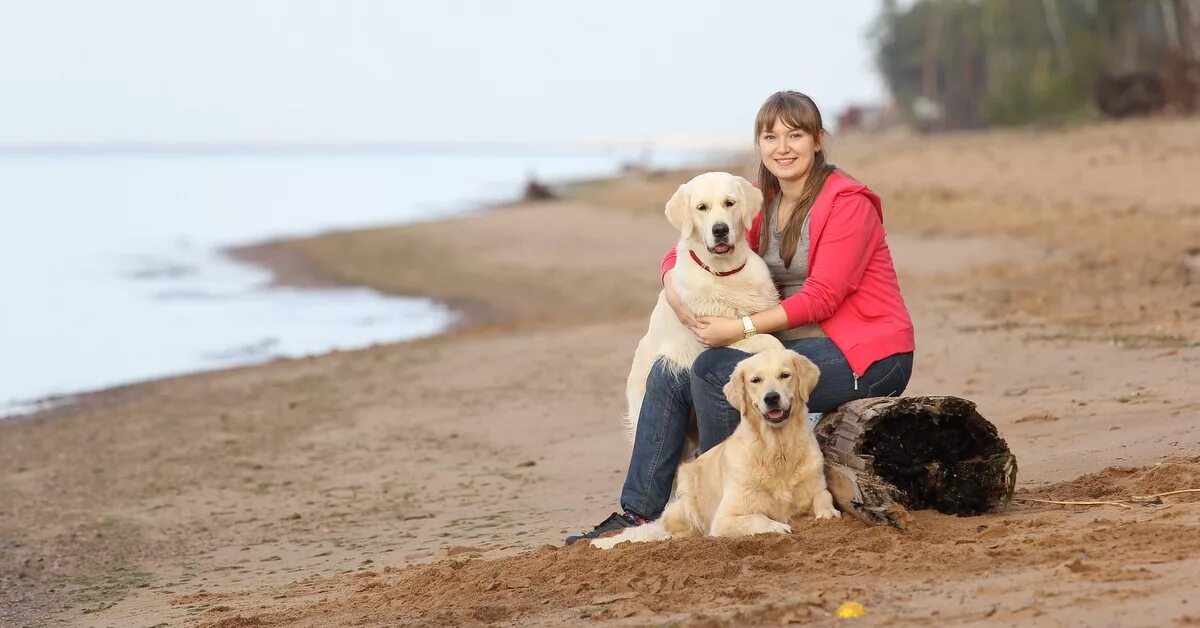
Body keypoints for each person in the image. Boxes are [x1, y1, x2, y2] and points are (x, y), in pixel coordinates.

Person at [565, 91, 915, 544]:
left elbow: (823, 299)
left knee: (713, 368)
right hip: (796, 345)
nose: (782, 147)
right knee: (669, 373)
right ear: (760, 144)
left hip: (866, 354)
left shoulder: (848, 203)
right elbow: (692, 245)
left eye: (795, 135)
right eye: (771, 137)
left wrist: (739, 328)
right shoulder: (762, 203)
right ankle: (637, 512)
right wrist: (670, 279)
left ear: (818, 140)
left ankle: (717, 498)